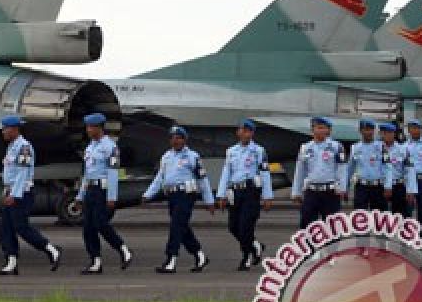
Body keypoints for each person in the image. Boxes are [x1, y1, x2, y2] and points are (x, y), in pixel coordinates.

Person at [0, 116, 62, 276]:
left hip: (22, 193)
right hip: (12, 192)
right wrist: (7, 192)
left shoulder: (24, 147)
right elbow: (11, 173)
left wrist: (14, 195)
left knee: (21, 227)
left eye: (5, 129)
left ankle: (51, 249)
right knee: (5, 228)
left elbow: (22, 174)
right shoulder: (12, 147)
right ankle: (11, 262)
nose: (3, 132)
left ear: (15, 129)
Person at [143, 126, 214, 273]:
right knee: (182, 227)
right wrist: (148, 194)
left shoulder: (192, 157)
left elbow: (203, 180)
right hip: (172, 196)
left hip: (186, 195)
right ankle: (199, 255)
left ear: (184, 139)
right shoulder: (166, 157)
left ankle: (171, 259)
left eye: (178, 137)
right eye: (172, 137)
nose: (175, 140)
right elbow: (159, 178)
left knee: (176, 226)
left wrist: (209, 200)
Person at [74, 112, 131, 274]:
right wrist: (80, 195)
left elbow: (113, 172)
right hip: (91, 190)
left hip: (102, 190)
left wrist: (112, 197)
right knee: (88, 228)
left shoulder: (110, 147)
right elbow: (87, 174)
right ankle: (95, 261)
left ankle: (123, 249)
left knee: (101, 223)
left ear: (99, 128)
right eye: (87, 127)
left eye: (91, 127)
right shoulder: (90, 147)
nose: (88, 130)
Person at [216, 119, 273, 270]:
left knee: (246, 226)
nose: (245, 133)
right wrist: (221, 194)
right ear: (238, 132)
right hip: (235, 192)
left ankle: (246, 255)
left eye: (248, 131)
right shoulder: (231, 151)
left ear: (252, 133)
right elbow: (226, 173)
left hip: (251, 191)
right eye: (242, 130)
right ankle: (255, 245)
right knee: (233, 226)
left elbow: (265, 173)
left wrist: (267, 196)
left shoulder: (258, 151)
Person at [291, 116, 347, 227]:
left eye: (323, 128)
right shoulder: (305, 148)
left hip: (330, 192)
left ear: (329, 130)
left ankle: (333, 245)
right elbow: (300, 170)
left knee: (333, 227)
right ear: (312, 130)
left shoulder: (336, 147)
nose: (320, 130)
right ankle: (310, 245)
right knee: (307, 225)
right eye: (318, 128)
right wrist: (296, 192)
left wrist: (342, 188)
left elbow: (341, 168)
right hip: (311, 192)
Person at [344, 120, 387, 211]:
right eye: (366, 129)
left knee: (378, 218)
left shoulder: (381, 146)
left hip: (378, 187)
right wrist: (345, 187)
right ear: (361, 131)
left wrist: (387, 186)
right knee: (360, 217)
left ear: (374, 131)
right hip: (361, 187)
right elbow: (349, 169)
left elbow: (388, 167)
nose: (368, 132)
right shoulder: (355, 147)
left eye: (371, 130)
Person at [379, 123, 413, 218]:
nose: (388, 135)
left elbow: (409, 170)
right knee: (383, 219)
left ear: (394, 134)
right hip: (381, 186)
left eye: (390, 132)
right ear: (381, 134)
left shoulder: (403, 149)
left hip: (399, 187)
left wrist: (410, 189)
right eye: (385, 133)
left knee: (400, 218)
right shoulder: (376, 148)